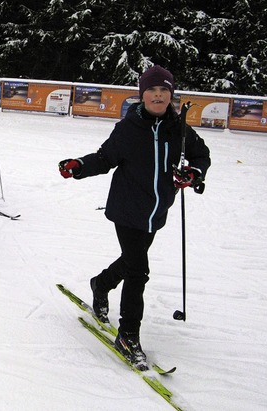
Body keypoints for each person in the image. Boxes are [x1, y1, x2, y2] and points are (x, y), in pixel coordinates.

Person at [58, 65, 211, 370]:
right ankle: (128, 334)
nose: (158, 96)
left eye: (163, 91)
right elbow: (105, 158)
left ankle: (100, 284)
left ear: (171, 95)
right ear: (142, 96)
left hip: (157, 210)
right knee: (139, 270)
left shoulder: (179, 129)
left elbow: (201, 155)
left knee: (131, 262)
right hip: (127, 209)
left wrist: (192, 173)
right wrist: (79, 165)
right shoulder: (128, 129)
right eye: (152, 91)